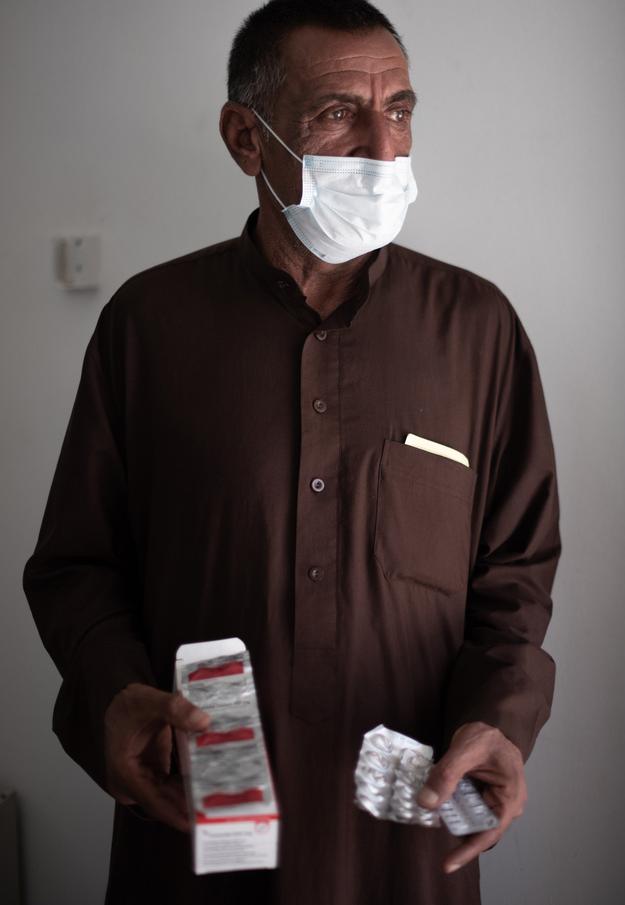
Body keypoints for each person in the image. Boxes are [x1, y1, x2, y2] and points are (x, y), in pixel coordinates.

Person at [22, 1, 561, 903]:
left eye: (399, 111)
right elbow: (76, 565)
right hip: (192, 831)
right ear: (246, 137)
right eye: (338, 112)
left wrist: (498, 719)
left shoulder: (476, 330)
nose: (384, 151)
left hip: (404, 840)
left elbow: (516, 574)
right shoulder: (149, 326)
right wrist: (115, 693)